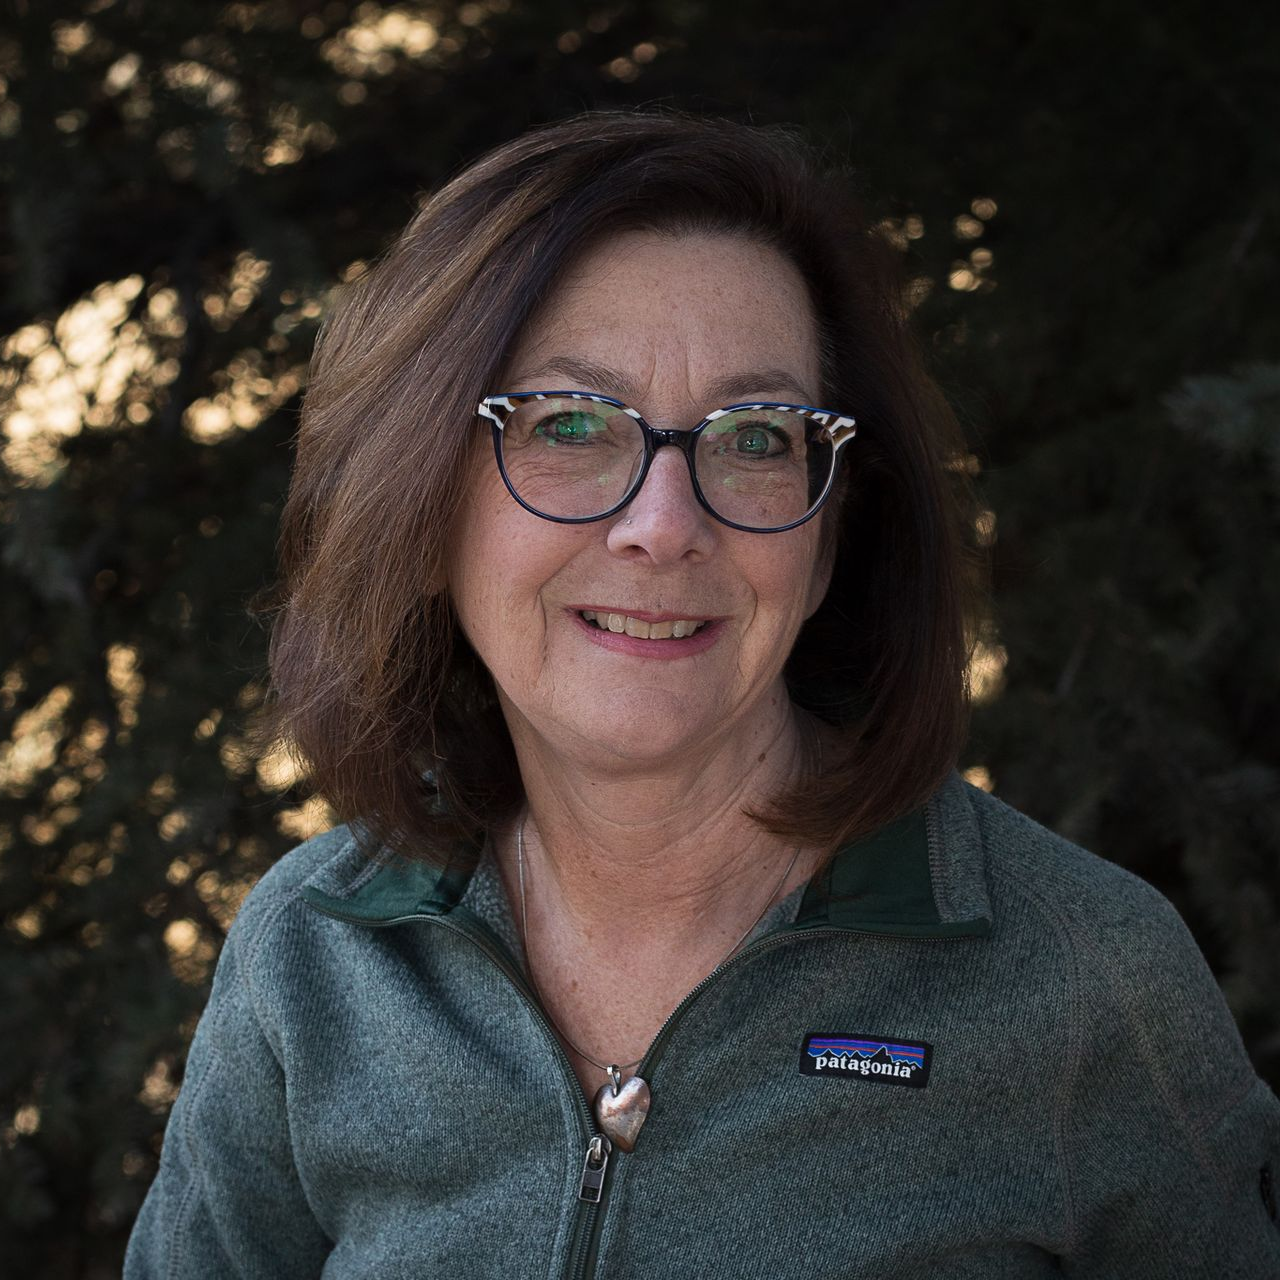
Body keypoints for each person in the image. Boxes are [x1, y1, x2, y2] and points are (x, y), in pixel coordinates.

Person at [124, 108, 1280, 1278]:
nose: (663, 525)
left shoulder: (1079, 973)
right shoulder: (313, 955)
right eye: (569, 423)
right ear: (417, 503)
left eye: (755, 437)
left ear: (831, 533)